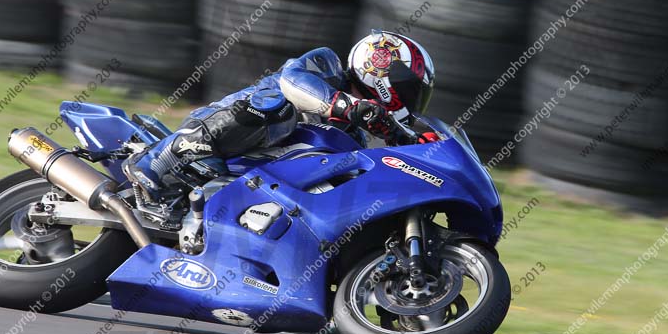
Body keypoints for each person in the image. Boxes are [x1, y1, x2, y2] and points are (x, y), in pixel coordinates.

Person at [123, 30, 435, 201]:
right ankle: (163, 158)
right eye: (409, 88)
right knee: (279, 106)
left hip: (256, 175)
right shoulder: (328, 66)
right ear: (380, 66)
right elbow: (292, 81)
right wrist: (350, 107)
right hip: (222, 127)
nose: (410, 99)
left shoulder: (353, 135)